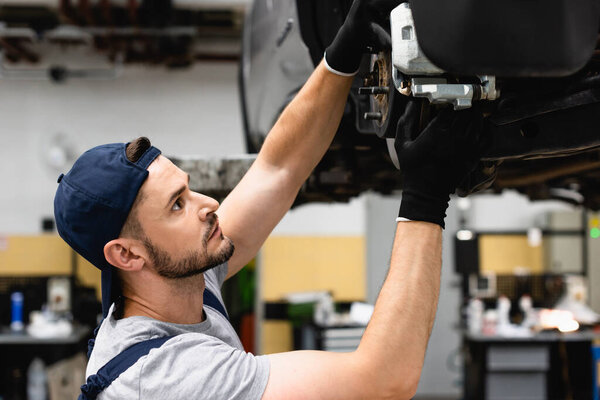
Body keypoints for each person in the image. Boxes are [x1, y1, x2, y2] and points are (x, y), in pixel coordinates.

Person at [53, 0, 489, 398]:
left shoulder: (178, 283)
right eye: (177, 205)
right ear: (127, 254)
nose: (207, 204)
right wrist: (426, 198)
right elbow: (384, 378)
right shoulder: (164, 376)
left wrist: (341, 53)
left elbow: (277, 169)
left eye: (187, 189)